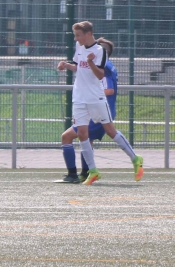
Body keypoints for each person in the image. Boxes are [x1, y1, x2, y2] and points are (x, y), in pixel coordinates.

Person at [57, 22, 143, 185]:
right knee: (82, 134)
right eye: (75, 35)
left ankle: (135, 158)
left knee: (110, 131)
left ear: (88, 34)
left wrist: (90, 62)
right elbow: (79, 67)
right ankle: (93, 171)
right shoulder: (79, 46)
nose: (76, 38)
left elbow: (99, 75)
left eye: (78, 35)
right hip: (79, 98)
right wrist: (67, 65)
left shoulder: (99, 51)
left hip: (95, 98)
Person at [59, 37, 119, 183]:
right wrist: (67, 65)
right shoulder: (103, 65)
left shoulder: (105, 67)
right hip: (96, 109)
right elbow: (80, 69)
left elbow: (109, 89)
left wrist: (89, 95)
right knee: (86, 140)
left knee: (67, 137)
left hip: (97, 111)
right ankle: (86, 173)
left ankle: (74, 174)